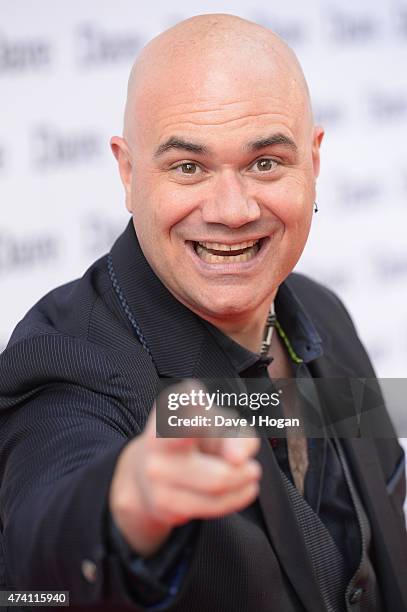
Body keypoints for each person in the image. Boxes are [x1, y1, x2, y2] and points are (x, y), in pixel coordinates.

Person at [0, 13, 406, 612]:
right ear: (128, 172)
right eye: (188, 167)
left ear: (313, 164)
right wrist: (129, 503)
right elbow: (43, 555)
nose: (233, 209)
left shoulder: (324, 312)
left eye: (265, 162)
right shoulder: (65, 356)